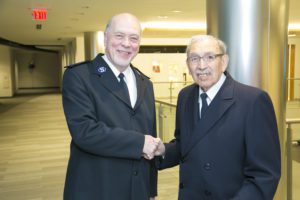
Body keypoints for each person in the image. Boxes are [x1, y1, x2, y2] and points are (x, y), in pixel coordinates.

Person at [155, 35, 281, 200]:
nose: (201, 66)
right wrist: (163, 150)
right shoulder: (185, 96)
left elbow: (265, 175)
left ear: (224, 61)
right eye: (194, 59)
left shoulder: (252, 100)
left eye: (210, 57)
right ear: (188, 64)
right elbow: (186, 144)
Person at [62, 13, 160, 200]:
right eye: (119, 36)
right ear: (106, 38)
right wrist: (139, 143)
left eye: (133, 38)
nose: (126, 43)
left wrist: (150, 190)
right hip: (97, 188)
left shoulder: (145, 83)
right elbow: (85, 132)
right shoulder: (79, 76)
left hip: (137, 189)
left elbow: (150, 134)